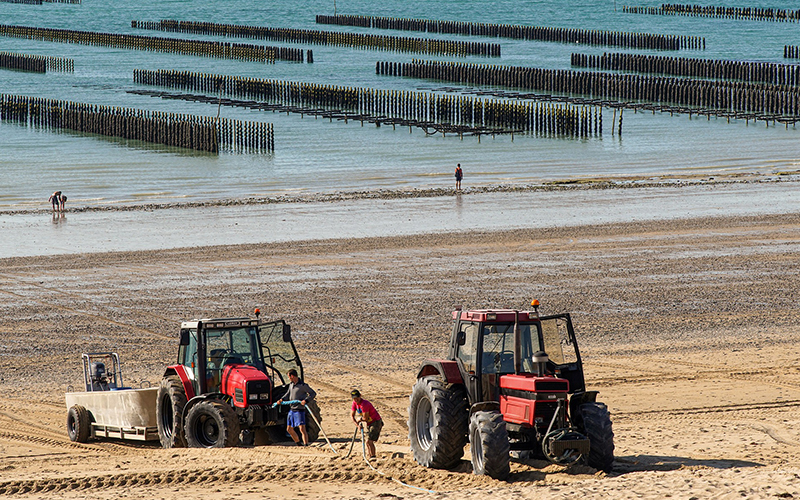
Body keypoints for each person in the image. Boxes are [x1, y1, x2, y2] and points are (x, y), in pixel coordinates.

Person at [277, 368, 316, 446]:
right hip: (292, 410)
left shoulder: (303, 386)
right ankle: (298, 443)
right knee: (289, 429)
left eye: (289, 376)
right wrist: (281, 399)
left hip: (299, 410)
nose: (289, 378)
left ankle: (306, 444)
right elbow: (288, 394)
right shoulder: (291, 385)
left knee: (302, 428)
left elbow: (313, 393)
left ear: (292, 376)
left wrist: (306, 400)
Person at [350, 389, 383, 459]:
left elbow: (365, 418)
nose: (356, 400)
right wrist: (357, 425)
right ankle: (370, 455)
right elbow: (352, 416)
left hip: (376, 422)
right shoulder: (354, 404)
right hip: (369, 423)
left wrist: (360, 419)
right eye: (354, 399)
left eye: (357, 398)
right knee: (367, 441)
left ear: (360, 396)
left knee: (369, 441)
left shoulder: (364, 404)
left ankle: (373, 456)